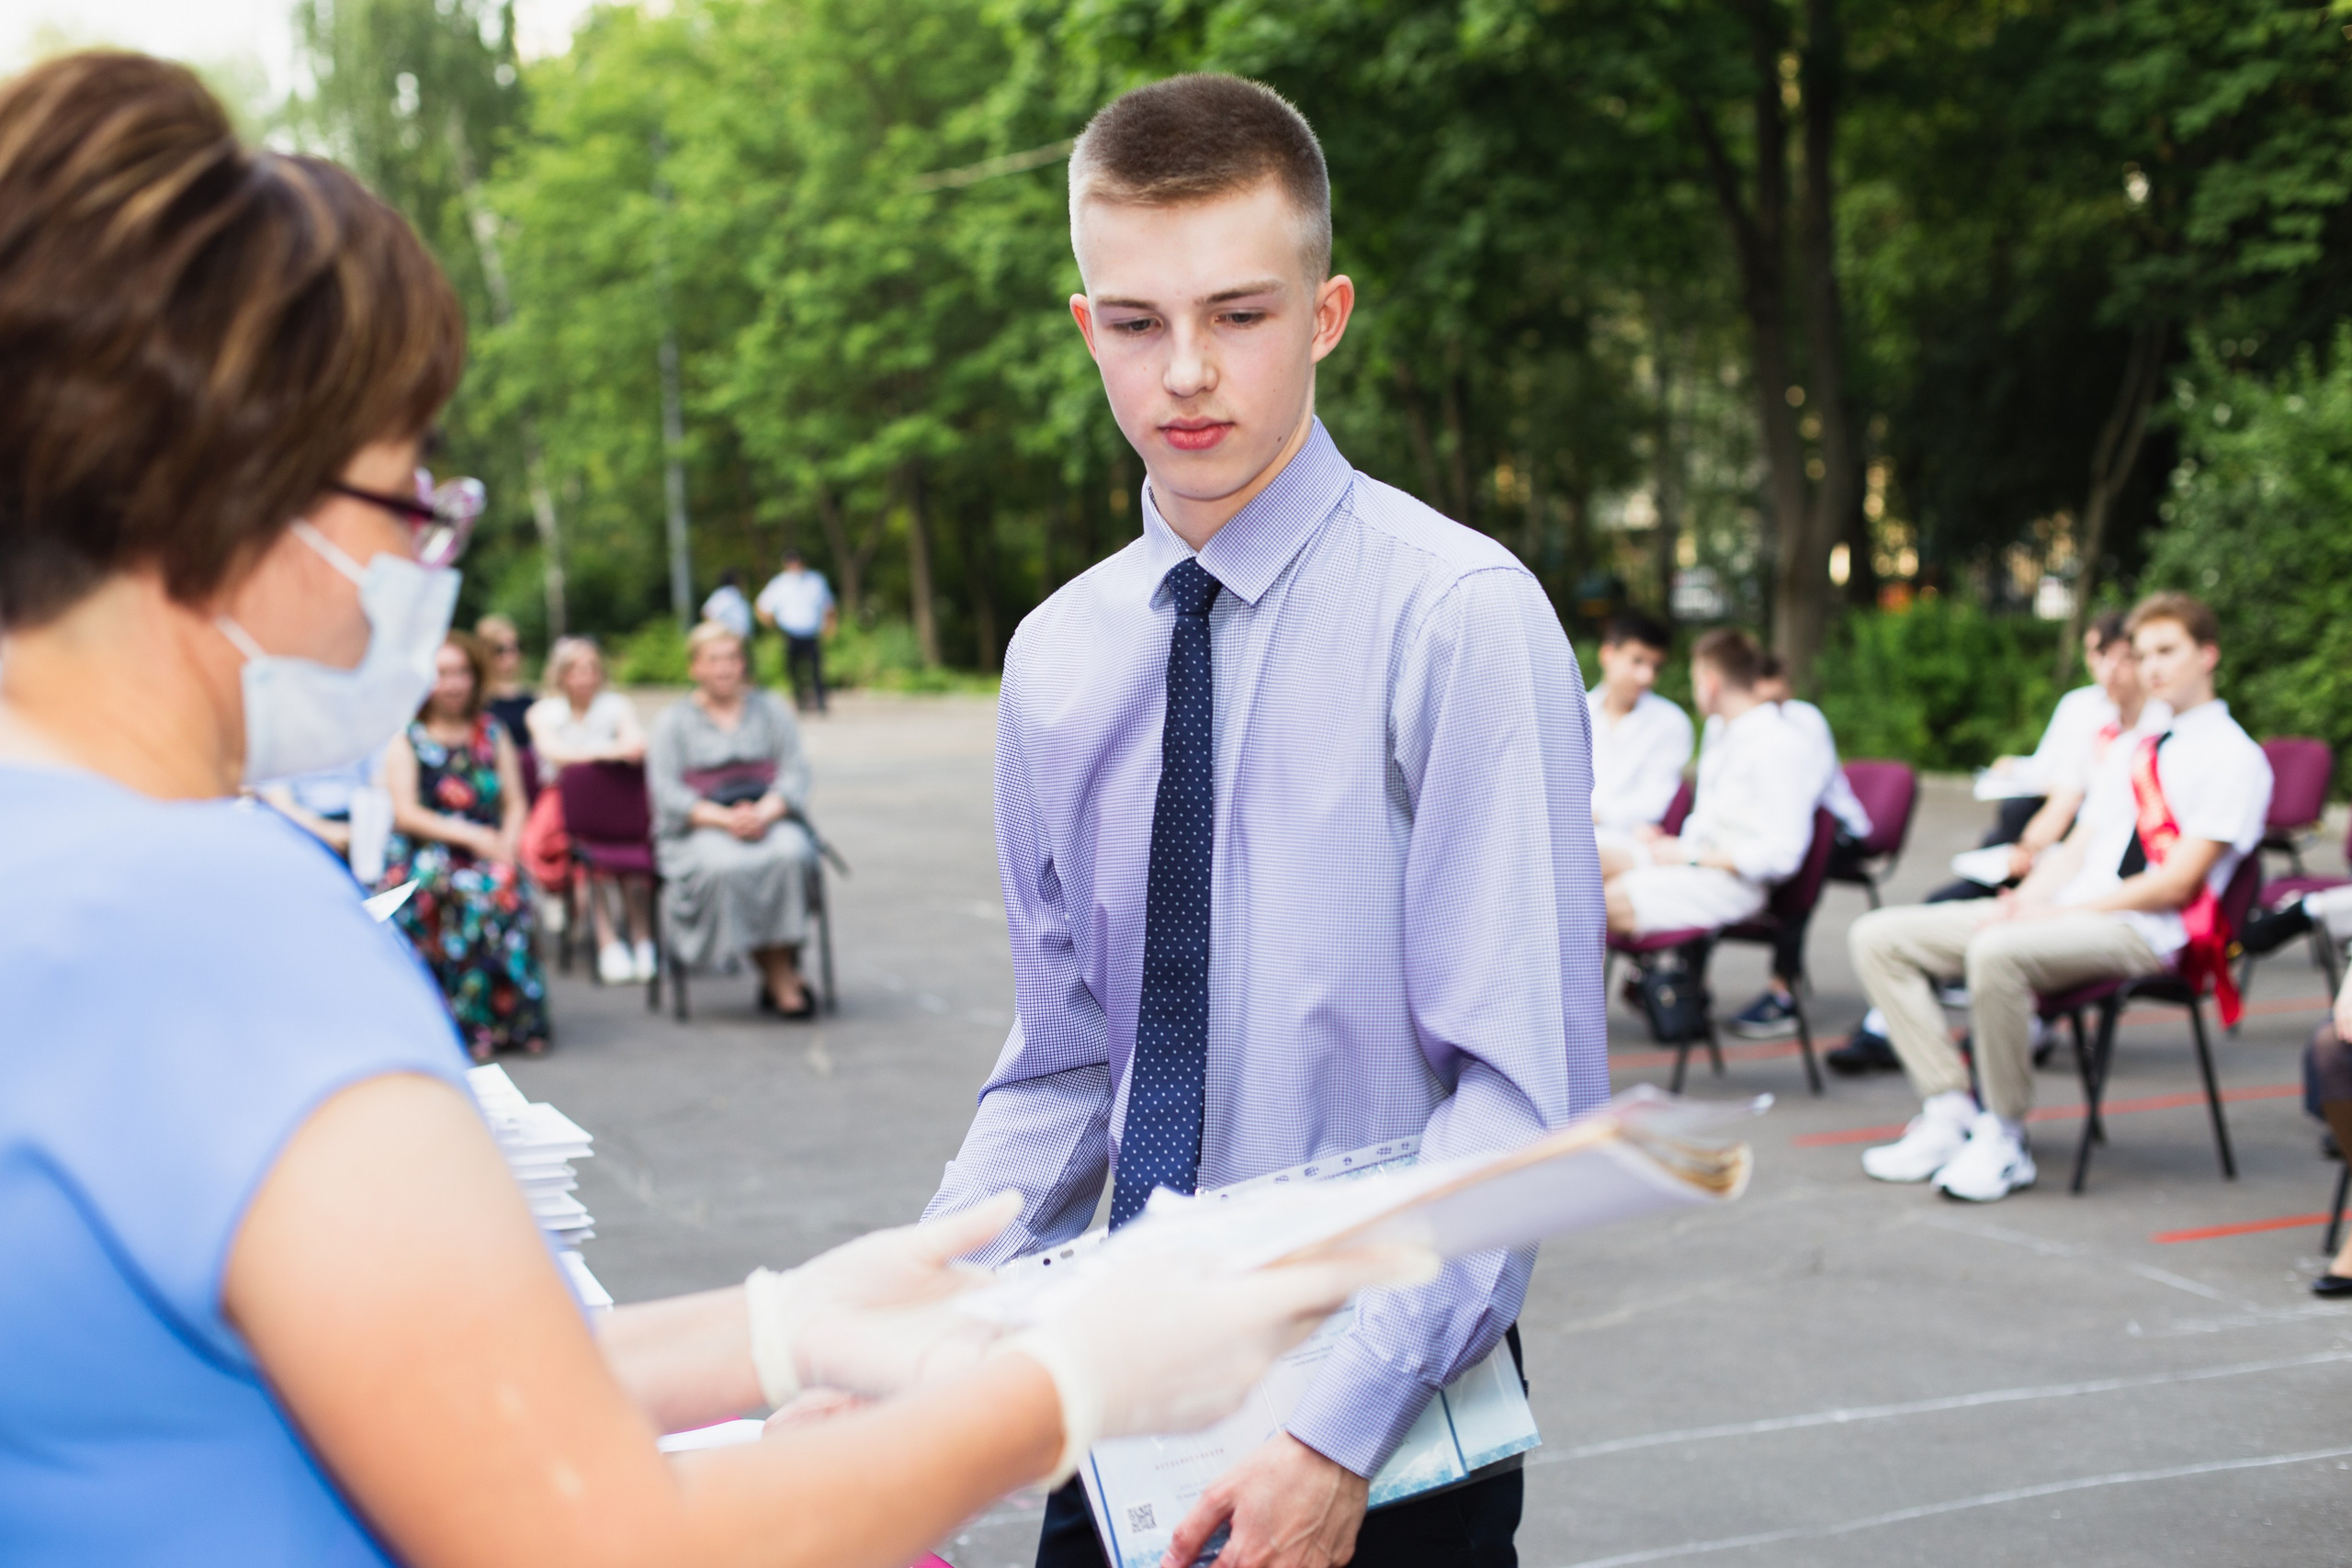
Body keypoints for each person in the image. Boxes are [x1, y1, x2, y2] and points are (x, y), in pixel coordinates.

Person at [0, 52, 1417, 1567]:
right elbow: (588, 1530)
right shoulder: (223, 921)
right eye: (406, 489)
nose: (423, 558)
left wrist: (776, 1329)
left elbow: (384, 1374)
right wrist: (1063, 1380)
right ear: (240, 496)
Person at [922, 75, 1602, 1568]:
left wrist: (1330, 1426)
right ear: (1082, 323)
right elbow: (1064, 1064)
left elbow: (1521, 1098)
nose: (1185, 373)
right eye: (1135, 321)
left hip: (1383, 1430)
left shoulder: (1460, 621)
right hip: (1121, 1413)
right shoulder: (1057, 656)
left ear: (1326, 312)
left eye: (1238, 313)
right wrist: (894, 1328)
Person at [1849, 593, 2272, 1201]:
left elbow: (2178, 883)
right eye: (2143, 653)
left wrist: (2056, 913)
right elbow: (2079, 847)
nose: (2152, 667)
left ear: (2208, 655)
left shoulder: (2237, 758)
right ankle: (1949, 1108)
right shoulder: (2138, 747)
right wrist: (2023, 899)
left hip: (2144, 932)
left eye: (2167, 651)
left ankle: (2004, 1132)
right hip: (2072, 910)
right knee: (1879, 936)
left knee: (1997, 952)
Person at [1827, 615, 2165, 1073]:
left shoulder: (2161, 740)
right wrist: (2027, 857)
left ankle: (2008, 1047)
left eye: (2126, 657)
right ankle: (1906, 1042)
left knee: (1994, 942)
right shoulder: (2093, 718)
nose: (2108, 669)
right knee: (1917, 920)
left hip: (2094, 888)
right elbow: (2064, 795)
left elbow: (2100, 832)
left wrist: (2042, 888)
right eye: (2098, 655)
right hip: (2053, 855)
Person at [381, 631, 551, 1061]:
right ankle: (463, 1023)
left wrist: (508, 844)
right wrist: (474, 836)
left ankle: (514, 1020)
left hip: (487, 848)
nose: (453, 683)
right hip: (430, 847)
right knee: (458, 887)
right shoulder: (407, 736)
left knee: (503, 883)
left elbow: (514, 801)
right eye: (442, 674)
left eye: (461, 673)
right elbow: (407, 813)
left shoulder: (492, 732)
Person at [1599, 628, 1825, 940]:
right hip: (1691, 859)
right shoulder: (1720, 732)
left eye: (1694, 681)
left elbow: (1782, 856)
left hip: (1730, 882)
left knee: (1589, 903)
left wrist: (1692, 857)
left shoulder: (1781, 744)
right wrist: (1675, 847)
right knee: (1582, 861)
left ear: (1710, 683)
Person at [650, 621, 820, 1017]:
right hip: (702, 824)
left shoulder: (772, 709)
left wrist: (762, 813)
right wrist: (727, 820)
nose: (725, 669)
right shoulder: (673, 722)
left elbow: (795, 773)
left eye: (732, 659)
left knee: (792, 853)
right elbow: (668, 793)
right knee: (726, 864)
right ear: (695, 667)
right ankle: (782, 976)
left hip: (768, 814)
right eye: (714, 660)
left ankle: (778, 973)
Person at [1721, 653, 1873, 1040]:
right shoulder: (1733, 726)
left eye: (1779, 699)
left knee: (1796, 875)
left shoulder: (1806, 721)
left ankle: (1782, 991)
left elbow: (1809, 791)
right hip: (1773, 826)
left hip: (1830, 826)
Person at [525, 636, 657, 984]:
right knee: (587, 859)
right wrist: (609, 752)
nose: (585, 677)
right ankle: (606, 939)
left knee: (628, 854)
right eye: (576, 670)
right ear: (561, 675)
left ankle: (641, 937)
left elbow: (637, 744)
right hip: (563, 803)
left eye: (591, 669)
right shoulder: (543, 712)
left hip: (616, 799)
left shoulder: (616, 706)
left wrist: (591, 754)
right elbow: (555, 753)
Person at [1587, 610, 1694, 833]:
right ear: (1608, 654)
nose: (1646, 676)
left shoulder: (1670, 722)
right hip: (1571, 836)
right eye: (1637, 661)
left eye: (1656, 667)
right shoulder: (1576, 712)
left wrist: (1592, 814)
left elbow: (1653, 804)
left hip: (1631, 841)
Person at [755, 549, 836, 713]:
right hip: (790, 631)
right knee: (794, 669)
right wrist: (771, 625)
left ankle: (820, 700)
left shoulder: (815, 580)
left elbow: (828, 606)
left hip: (811, 631)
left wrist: (830, 625)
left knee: (816, 668)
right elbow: (762, 606)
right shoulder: (779, 583)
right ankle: (799, 700)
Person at [475, 612, 537, 745]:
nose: (511, 656)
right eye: (500, 650)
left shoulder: (533, 697)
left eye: (516, 647)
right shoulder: (475, 700)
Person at [702, 567, 754, 640]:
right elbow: (707, 613)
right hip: (730, 640)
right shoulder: (726, 593)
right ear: (736, 580)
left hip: (741, 640)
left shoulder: (737, 595)